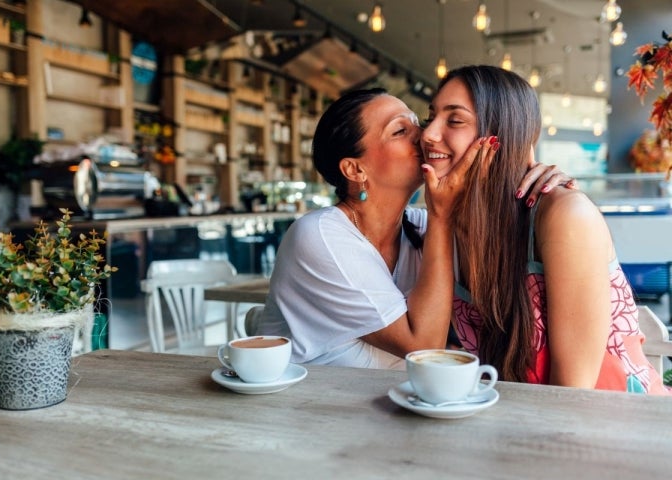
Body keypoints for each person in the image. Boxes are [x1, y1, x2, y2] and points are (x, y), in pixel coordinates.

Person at [256, 87, 574, 370]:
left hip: (389, 413)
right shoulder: (319, 235)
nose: (423, 135)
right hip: (307, 414)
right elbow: (422, 346)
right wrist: (441, 214)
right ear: (355, 169)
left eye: (416, 123)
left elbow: (499, 246)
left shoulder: (421, 228)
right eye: (399, 131)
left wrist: (531, 176)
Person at [421, 65, 668, 394]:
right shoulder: (448, 227)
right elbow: (426, 346)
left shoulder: (565, 216)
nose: (428, 134)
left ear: (501, 138)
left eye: (454, 120)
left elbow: (572, 395)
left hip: (611, 429)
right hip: (518, 424)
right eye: (431, 117)